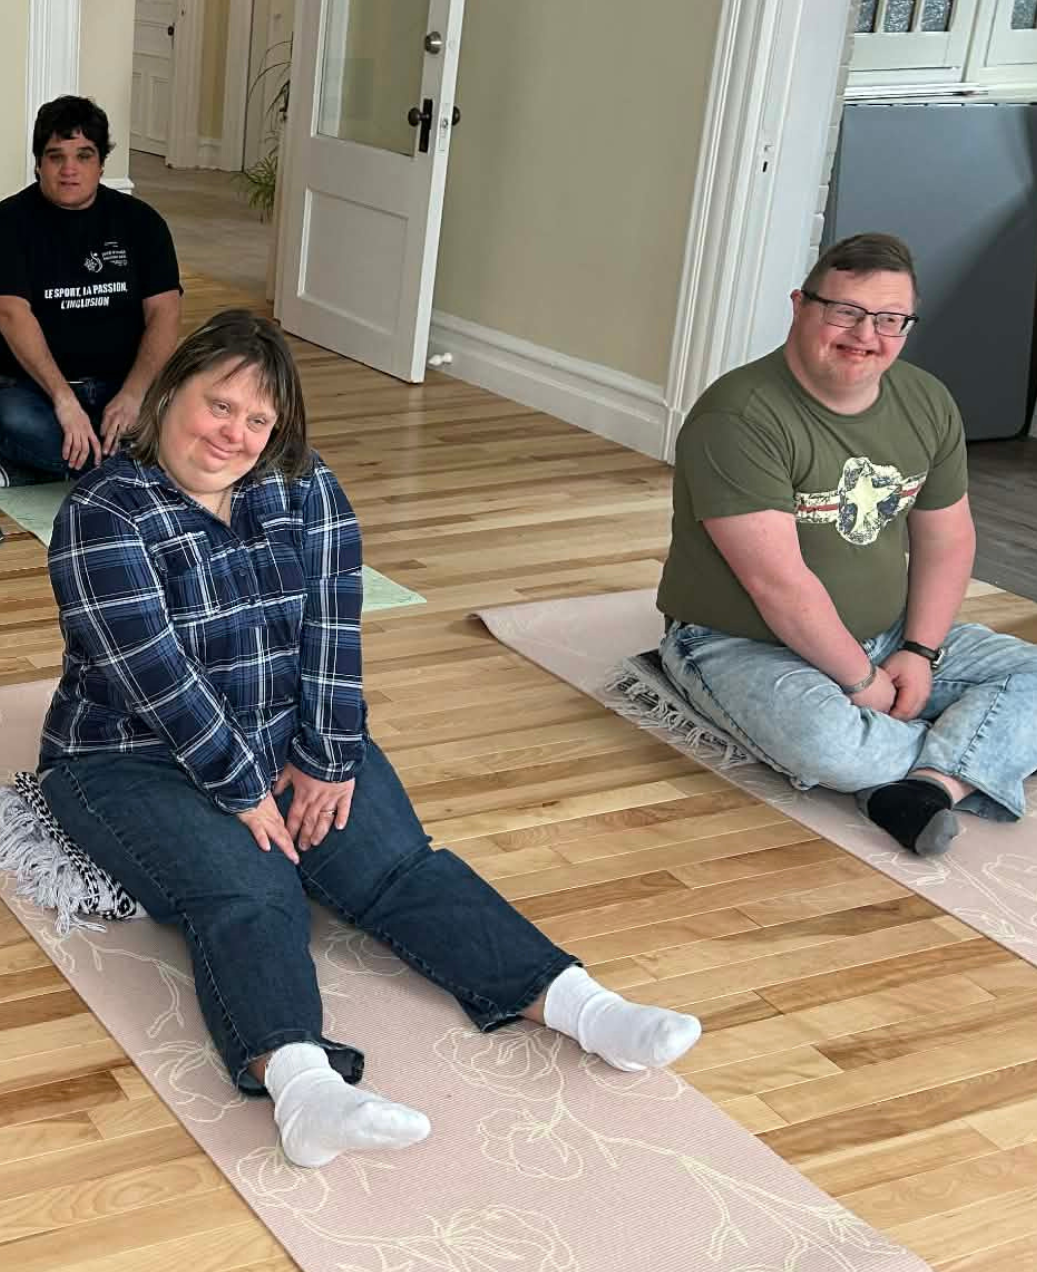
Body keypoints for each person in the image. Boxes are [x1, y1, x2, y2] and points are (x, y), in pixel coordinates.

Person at [37, 310, 701, 1169]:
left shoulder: (302, 483)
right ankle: (304, 1090)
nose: (233, 433)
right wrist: (243, 789)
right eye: (218, 405)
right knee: (250, 886)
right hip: (127, 755)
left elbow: (333, 629)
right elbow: (154, 678)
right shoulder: (103, 511)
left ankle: (588, 1009)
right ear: (170, 392)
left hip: (281, 730)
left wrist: (325, 755)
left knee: (395, 865)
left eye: (257, 419)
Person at [657, 232, 1037, 857]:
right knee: (827, 742)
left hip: (887, 632)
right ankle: (986, 750)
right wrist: (861, 681)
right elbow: (778, 584)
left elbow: (948, 537)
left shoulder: (926, 401)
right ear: (800, 306)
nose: (865, 335)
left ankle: (927, 787)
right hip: (740, 642)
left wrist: (919, 651)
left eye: (889, 319)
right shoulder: (737, 418)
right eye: (844, 311)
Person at [0, 95, 183, 479]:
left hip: (125, 381)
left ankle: (100, 463)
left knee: (188, 414)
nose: (69, 169)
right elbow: (11, 314)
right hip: (34, 390)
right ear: (38, 163)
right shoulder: (4, 224)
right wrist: (65, 401)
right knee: (13, 421)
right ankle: (131, 468)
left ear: (101, 164)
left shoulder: (142, 223)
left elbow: (164, 312)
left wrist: (133, 395)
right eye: (56, 157)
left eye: (84, 156)